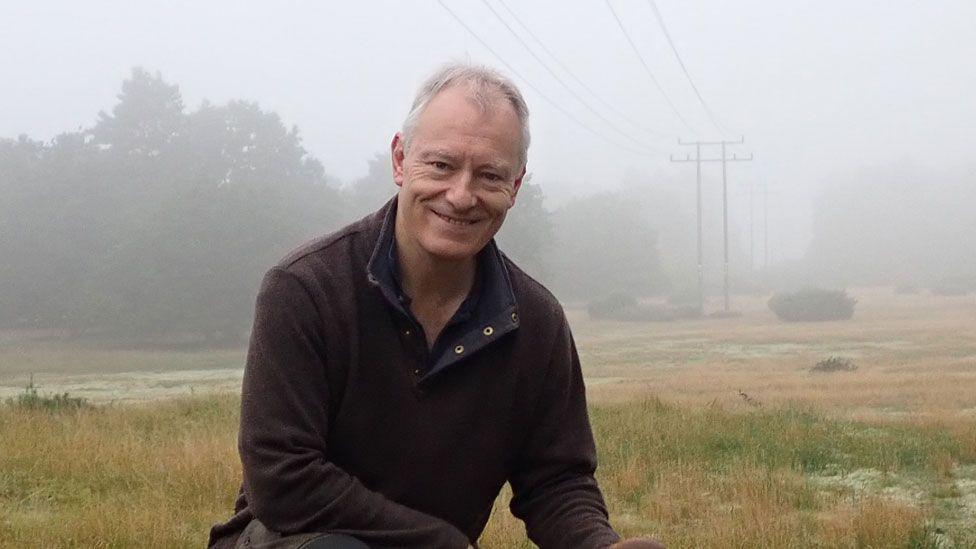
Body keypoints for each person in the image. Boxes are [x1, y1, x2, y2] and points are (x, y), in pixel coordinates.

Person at [209, 62, 663, 549]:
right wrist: (440, 541)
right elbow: (284, 481)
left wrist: (601, 546)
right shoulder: (305, 288)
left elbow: (556, 481)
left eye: (489, 175)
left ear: (515, 186)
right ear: (401, 160)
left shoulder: (536, 322)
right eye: (442, 165)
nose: (461, 195)